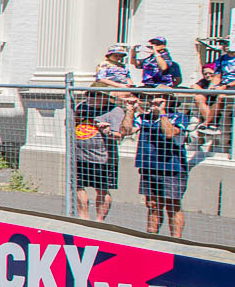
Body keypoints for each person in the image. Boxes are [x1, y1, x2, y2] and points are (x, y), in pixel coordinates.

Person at [135, 92, 192, 238]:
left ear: (169, 100)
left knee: (173, 205)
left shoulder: (180, 117)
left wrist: (162, 112)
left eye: (160, 97)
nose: (155, 100)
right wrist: (130, 110)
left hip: (172, 168)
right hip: (149, 166)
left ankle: (175, 240)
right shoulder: (144, 118)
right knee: (152, 204)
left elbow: (169, 132)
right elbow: (126, 130)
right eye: (153, 97)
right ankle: (152, 237)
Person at [72, 90, 127, 221]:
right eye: (88, 94)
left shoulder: (115, 111)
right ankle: (83, 218)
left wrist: (107, 131)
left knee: (101, 189)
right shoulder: (81, 106)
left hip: (102, 158)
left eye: (94, 95)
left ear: (105, 97)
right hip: (80, 156)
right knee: (78, 186)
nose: (89, 98)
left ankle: (99, 221)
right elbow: (71, 124)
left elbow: (120, 135)